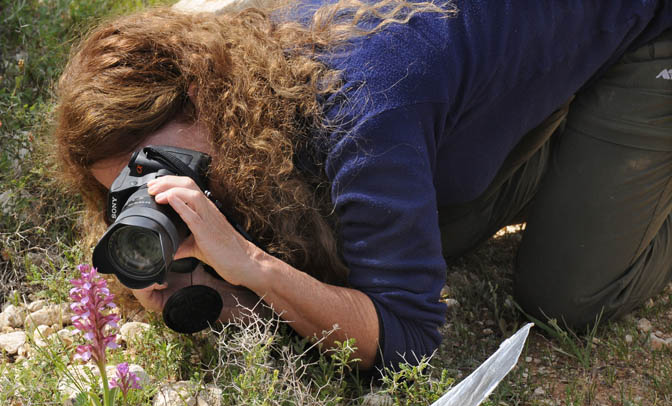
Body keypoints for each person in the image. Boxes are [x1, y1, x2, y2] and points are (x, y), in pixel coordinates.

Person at [54, 0, 672, 371]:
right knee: (370, 247)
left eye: (157, 163)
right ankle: (575, 154)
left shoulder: (360, 110)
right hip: (506, 51)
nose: (157, 188)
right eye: (128, 190)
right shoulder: (249, 88)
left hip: (647, 30)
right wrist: (193, 276)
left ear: (197, 95)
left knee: (565, 292)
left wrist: (249, 265)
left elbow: (408, 338)